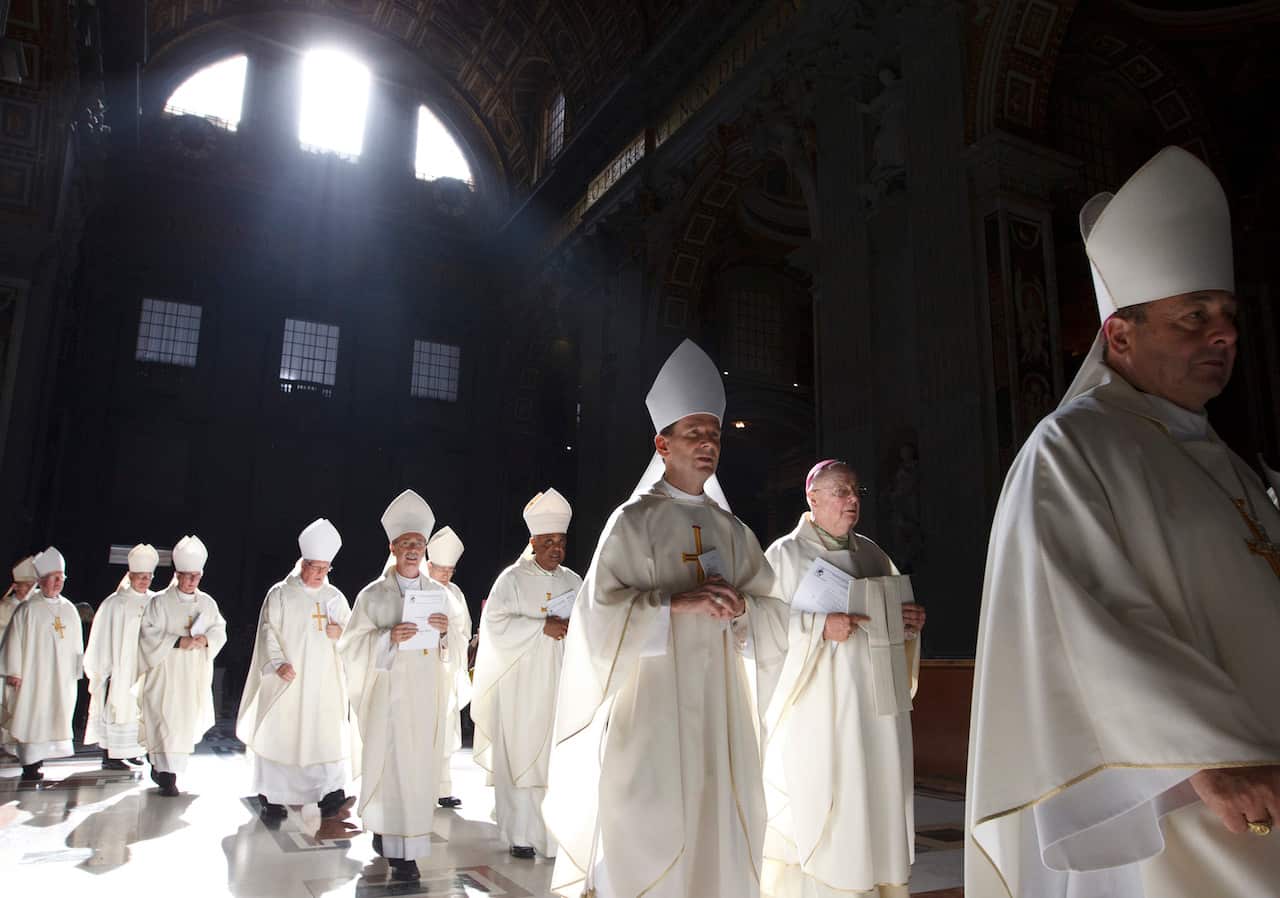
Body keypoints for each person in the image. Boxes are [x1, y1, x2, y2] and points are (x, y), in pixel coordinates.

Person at [966, 146, 1280, 897]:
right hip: (1189, 794)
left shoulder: (1226, 462)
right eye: (1193, 316)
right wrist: (1210, 753)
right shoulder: (1074, 445)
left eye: (1228, 315)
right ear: (1121, 334)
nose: (1223, 334)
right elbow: (1079, 615)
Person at [543, 339, 789, 898]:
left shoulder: (732, 531)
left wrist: (745, 607)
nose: (708, 446)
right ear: (662, 443)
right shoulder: (632, 523)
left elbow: (777, 614)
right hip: (651, 706)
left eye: (715, 435)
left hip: (720, 709)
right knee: (646, 826)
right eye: (694, 434)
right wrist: (676, 604)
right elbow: (597, 617)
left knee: (718, 823)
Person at [760, 460, 926, 897]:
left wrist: (908, 622)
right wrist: (817, 629)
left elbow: (888, 621)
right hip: (820, 710)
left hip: (876, 708)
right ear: (812, 498)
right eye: (841, 492)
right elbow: (760, 628)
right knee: (829, 805)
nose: (852, 500)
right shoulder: (784, 555)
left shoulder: (873, 554)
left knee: (876, 796)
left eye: (856, 491)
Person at [338, 490, 468, 883]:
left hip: (426, 696)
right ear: (392, 546)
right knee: (393, 765)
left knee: (417, 769)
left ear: (426, 550)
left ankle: (401, 839)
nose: (413, 550)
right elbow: (351, 647)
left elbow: (457, 645)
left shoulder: (439, 595)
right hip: (390, 698)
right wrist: (387, 638)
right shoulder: (373, 595)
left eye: (419, 544)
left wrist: (447, 635)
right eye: (406, 543)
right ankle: (398, 848)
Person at [472, 489, 582, 859]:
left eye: (561, 542)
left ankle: (552, 837)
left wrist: (573, 628)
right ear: (532, 541)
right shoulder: (511, 580)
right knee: (521, 756)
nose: (556, 548)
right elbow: (495, 627)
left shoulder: (573, 581)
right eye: (548, 541)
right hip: (521, 686)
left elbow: (589, 625)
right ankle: (520, 834)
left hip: (560, 685)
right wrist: (541, 628)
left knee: (555, 760)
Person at [237, 519, 354, 821]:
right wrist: (277, 663)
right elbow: (267, 632)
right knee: (282, 733)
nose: (319, 574)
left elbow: (353, 634)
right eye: (314, 567)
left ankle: (330, 792)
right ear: (302, 563)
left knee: (324, 733)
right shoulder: (280, 594)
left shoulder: (335, 598)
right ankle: (272, 794)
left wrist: (339, 632)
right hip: (287, 680)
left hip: (324, 683)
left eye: (325, 569)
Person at [137, 535, 227, 796]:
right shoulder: (159, 602)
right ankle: (165, 773)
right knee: (164, 718)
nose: (191, 581)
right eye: (186, 576)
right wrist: (178, 641)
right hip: (165, 673)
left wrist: (206, 639)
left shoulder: (207, 603)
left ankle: (168, 770)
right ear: (176, 574)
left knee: (183, 723)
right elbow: (147, 634)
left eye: (196, 576)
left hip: (192, 674)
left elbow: (220, 629)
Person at [0, 547, 84, 781]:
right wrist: (14, 671)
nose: (58, 582)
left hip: (60, 676)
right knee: (32, 714)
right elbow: (14, 640)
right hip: (34, 675)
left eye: (61, 578)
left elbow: (76, 643)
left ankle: (41, 758)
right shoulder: (28, 609)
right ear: (41, 580)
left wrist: (76, 669)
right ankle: (30, 763)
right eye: (53, 578)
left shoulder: (69, 609)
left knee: (54, 714)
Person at [84, 543, 159, 769]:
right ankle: (112, 754)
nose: (144, 581)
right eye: (140, 577)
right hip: (121, 667)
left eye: (148, 577)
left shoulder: (156, 601)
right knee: (119, 705)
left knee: (141, 708)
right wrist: (102, 667)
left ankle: (134, 749)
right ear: (130, 576)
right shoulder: (115, 603)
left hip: (145, 666)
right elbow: (101, 636)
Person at [425, 525, 472, 809]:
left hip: (445, 669)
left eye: (450, 570)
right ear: (429, 565)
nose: (446, 575)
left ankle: (442, 787)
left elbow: (463, 631)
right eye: (441, 569)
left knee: (444, 729)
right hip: (421, 671)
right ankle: (422, 786)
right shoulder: (417, 588)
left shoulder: (455, 593)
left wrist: (446, 634)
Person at [0, 556, 37, 639]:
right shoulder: (2, 608)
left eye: (33, 585)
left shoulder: (38, 605)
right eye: (27, 585)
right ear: (15, 586)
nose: (31, 589)